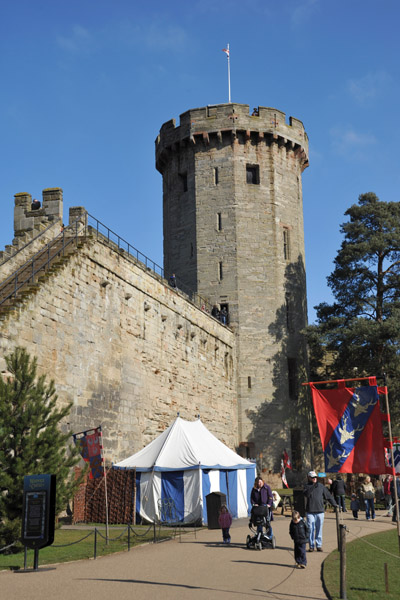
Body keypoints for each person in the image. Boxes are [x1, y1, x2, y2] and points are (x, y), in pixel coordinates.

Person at [303, 470, 337, 552]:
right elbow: (306, 494)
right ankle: (311, 546)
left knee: (319, 529)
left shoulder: (321, 486)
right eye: (312, 477)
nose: (314, 479)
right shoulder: (306, 486)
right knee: (311, 528)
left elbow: (328, 496)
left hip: (320, 511)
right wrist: (313, 486)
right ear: (309, 478)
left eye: (315, 477)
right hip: (310, 511)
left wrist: (335, 504)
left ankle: (318, 545)